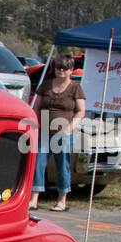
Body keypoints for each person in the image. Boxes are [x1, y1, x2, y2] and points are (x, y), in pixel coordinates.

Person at [28, 55, 85, 211]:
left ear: (71, 70)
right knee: (38, 164)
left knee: (62, 166)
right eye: (58, 67)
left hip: (64, 132)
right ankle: (34, 198)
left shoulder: (75, 88)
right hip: (44, 131)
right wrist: (34, 125)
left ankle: (62, 200)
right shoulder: (45, 86)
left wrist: (70, 128)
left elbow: (80, 112)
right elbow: (36, 107)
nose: (61, 70)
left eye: (65, 68)